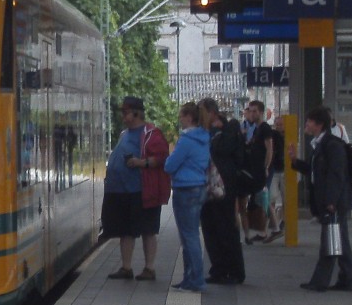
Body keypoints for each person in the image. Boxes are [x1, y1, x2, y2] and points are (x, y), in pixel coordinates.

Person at [104, 96, 170, 281]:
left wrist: (141, 162)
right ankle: (126, 267)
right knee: (126, 230)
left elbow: (162, 158)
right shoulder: (124, 134)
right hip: (121, 191)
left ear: (136, 113)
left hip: (142, 191)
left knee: (148, 230)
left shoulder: (151, 133)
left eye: (125, 112)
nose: (123, 116)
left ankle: (149, 268)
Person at [290, 106, 352, 292]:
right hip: (332, 201)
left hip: (334, 202)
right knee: (340, 240)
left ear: (318, 125)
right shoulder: (321, 144)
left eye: (309, 121)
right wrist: (296, 162)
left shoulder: (332, 145)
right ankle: (346, 280)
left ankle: (320, 282)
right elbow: (315, 172)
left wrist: (331, 202)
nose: (306, 124)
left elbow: (336, 175)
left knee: (330, 241)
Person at [198, 97, 246, 284]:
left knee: (226, 227)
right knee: (209, 228)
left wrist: (217, 131)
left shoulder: (230, 127)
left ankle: (235, 271)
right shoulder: (201, 131)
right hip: (206, 186)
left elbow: (224, 150)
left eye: (202, 112)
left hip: (225, 187)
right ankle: (218, 269)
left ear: (213, 112)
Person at [165, 102, 211, 292]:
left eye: (182, 116)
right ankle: (189, 278)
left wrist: (171, 156)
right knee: (189, 234)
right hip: (199, 186)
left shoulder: (186, 140)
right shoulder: (204, 138)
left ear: (190, 118)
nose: (180, 119)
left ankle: (196, 279)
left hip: (185, 188)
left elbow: (169, 166)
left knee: (189, 236)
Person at [239, 100, 273, 244]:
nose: (251, 114)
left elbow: (270, 149)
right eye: (250, 111)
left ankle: (272, 228)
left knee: (260, 199)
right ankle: (265, 230)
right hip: (253, 170)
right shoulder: (257, 128)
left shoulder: (264, 127)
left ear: (261, 112)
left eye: (254, 111)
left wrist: (266, 167)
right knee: (260, 199)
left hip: (258, 171)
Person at [265, 115, 286, 239]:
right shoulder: (272, 136)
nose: (278, 127)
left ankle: (282, 221)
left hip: (285, 170)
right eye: (277, 124)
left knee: (285, 198)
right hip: (274, 170)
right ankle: (273, 222)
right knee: (271, 196)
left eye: (281, 124)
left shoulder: (290, 137)